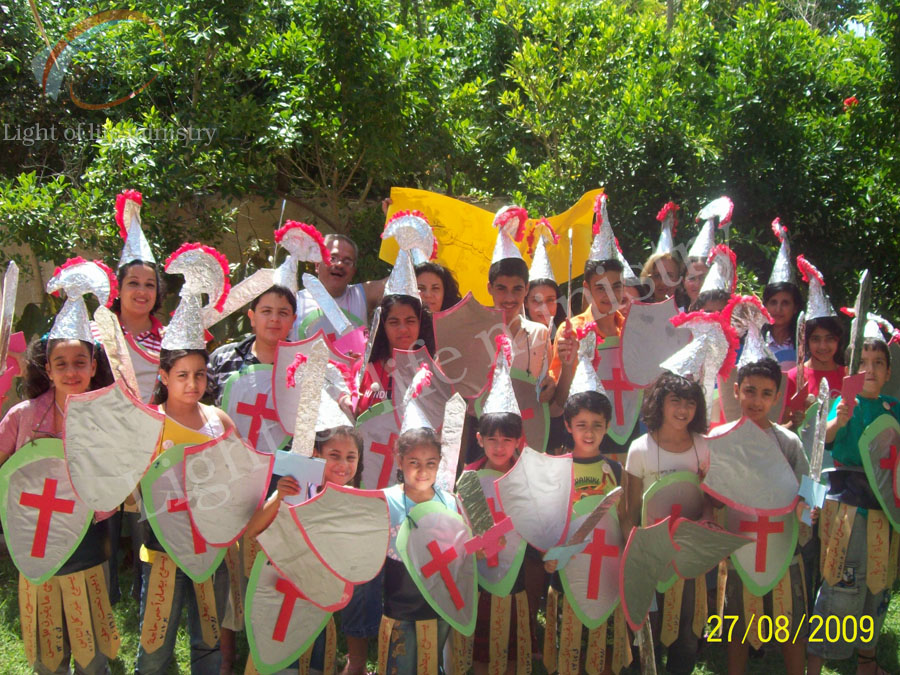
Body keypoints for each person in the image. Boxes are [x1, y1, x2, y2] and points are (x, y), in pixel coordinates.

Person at [0, 335, 118, 675]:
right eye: (61, 364)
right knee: (48, 649)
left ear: (93, 367)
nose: (71, 372)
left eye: (80, 363)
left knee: (91, 648)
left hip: (89, 539)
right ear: (48, 369)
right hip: (35, 539)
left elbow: (121, 479)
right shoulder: (22, 416)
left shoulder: (110, 419)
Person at [134, 348, 237, 675]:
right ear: (164, 377)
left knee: (208, 640)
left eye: (199, 374)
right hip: (162, 552)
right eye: (182, 375)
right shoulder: (150, 423)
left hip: (210, 548)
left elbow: (241, 472)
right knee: (155, 644)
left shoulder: (218, 421)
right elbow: (136, 485)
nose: (192, 384)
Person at [246, 426, 375, 675]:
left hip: (318, 597)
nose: (343, 464)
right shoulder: (295, 488)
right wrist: (279, 497)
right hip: (280, 589)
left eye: (351, 457)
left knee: (315, 658)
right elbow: (253, 530)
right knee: (280, 660)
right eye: (334, 455)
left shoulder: (355, 502)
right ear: (317, 454)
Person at [807, 337, 898, 675]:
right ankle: (814, 664)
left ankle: (867, 664)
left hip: (884, 510)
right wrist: (838, 422)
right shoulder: (845, 403)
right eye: (862, 362)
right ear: (852, 371)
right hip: (849, 509)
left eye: (878, 363)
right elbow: (824, 439)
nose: (870, 369)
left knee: (878, 583)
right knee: (840, 582)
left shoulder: (894, 409)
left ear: (888, 372)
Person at [721, 358, 812, 675]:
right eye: (750, 391)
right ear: (736, 391)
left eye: (765, 393)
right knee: (738, 625)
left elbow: (809, 488)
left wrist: (807, 509)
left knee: (790, 625)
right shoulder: (720, 439)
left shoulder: (788, 442)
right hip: (740, 545)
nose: (756, 400)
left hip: (781, 545)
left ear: (776, 398)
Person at [622, 371, 710, 675]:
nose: (683, 410)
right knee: (648, 629)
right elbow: (631, 511)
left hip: (687, 554)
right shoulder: (640, 449)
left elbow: (707, 499)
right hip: (650, 555)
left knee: (686, 631)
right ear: (660, 403)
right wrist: (637, 555)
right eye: (675, 401)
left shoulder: (703, 447)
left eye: (690, 403)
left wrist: (705, 525)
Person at [543, 390, 625, 674]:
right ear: (568, 425)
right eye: (581, 424)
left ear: (608, 425)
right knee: (569, 645)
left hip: (606, 570)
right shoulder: (555, 469)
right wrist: (547, 553)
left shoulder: (615, 470)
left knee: (604, 645)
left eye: (597, 425)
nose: (589, 433)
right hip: (568, 568)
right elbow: (547, 521)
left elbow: (622, 520)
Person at [380, 426, 460, 673]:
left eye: (430, 463)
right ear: (400, 461)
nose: (423, 471)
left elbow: (459, 550)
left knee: (430, 663)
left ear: (439, 463)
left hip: (438, 602)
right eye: (414, 462)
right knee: (400, 664)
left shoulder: (449, 502)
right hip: (400, 602)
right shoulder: (386, 501)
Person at [465, 411, 529, 674]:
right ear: (480, 439)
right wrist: (475, 547)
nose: (499, 447)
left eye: (507, 440)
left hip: (514, 568)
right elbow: (463, 532)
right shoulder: (470, 477)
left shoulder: (526, 475)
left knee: (511, 635)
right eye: (492, 439)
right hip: (479, 572)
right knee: (480, 639)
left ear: (518, 441)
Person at [292, 234, 386, 340]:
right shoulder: (294, 301)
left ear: (353, 271)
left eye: (347, 262)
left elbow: (393, 282)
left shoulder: (361, 295)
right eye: (332, 258)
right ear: (317, 265)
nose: (340, 264)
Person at [356, 294, 435, 415]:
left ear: (421, 324)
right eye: (394, 322)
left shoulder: (434, 372)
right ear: (382, 326)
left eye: (410, 321)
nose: (403, 329)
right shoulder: (363, 368)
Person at [782, 316, 846, 428]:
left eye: (829, 339)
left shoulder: (847, 375)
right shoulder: (793, 377)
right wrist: (794, 423)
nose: (823, 346)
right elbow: (780, 427)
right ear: (807, 341)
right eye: (816, 339)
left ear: (838, 340)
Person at [762, 282, 803, 369]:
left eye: (785, 303)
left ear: (795, 308)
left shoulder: (805, 343)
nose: (778, 309)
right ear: (765, 306)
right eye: (773, 303)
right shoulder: (753, 339)